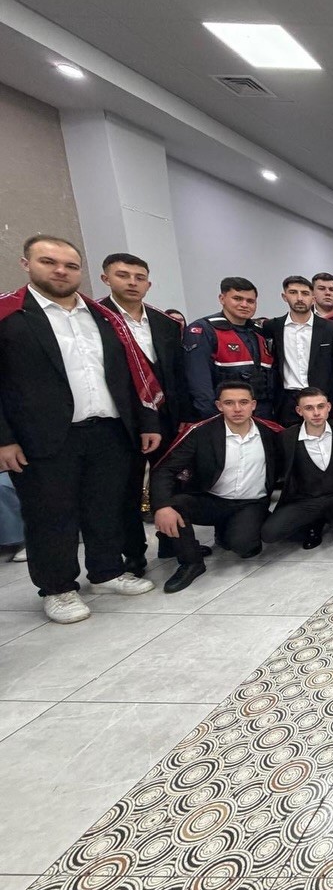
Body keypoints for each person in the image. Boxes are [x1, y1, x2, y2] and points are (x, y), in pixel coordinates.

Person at [0, 235, 161, 623]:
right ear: (26, 264)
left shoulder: (103, 317)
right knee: (50, 515)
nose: (60, 271)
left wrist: (145, 422)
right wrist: (3, 439)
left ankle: (106, 572)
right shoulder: (9, 316)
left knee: (105, 506)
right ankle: (57, 588)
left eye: (70, 265)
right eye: (48, 262)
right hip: (43, 436)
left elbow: (129, 374)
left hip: (108, 429)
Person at [99, 252, 189, 576]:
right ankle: (134, 553)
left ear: (148, 284)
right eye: (123, 275)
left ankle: (172, 542)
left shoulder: (165, 323)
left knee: (172, 481)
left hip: (166, 415)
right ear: (106, 279)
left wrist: (184, 416)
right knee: (127, 489)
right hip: (122, 420)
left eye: (139, 277)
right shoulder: (97, 319)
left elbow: (177, 374)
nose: (132, 283)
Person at [151, 381, 282, 593]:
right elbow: (165, 470)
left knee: (245, 547)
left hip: (250, 503)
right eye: (229, 403)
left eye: (243, 402)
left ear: (253, 405)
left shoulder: (271, 433)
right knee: (175, 505)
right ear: (219, 405)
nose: (237, 409)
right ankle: (191, 562)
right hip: (211, 500)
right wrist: (162, 506)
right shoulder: (201, 433)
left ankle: (225, 532)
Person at [261, 387, 333, 549]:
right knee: (269, 533)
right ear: (299, 411)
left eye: (320, 406)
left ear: (328, 407)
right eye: (309, 408)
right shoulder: (287, 437)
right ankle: (312, 523)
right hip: (306, 499)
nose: (316, 413)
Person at [183, 277, 275, 420]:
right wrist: (214, 419)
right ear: (222, 298)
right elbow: (199, 383)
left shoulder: (260, 332)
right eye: (237, 299)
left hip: (263, 415)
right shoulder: (205, 330)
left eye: (250, 301)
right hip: (224, 416)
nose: (244, 305)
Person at [263, 276, 333, 425]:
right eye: (293, 292)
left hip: (322, 398)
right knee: (289, 438)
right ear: (284, 296)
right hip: (287, 401)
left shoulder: (331, 329)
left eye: (305, 293)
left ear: (313, 298)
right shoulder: (272, 327)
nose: (299, 298)